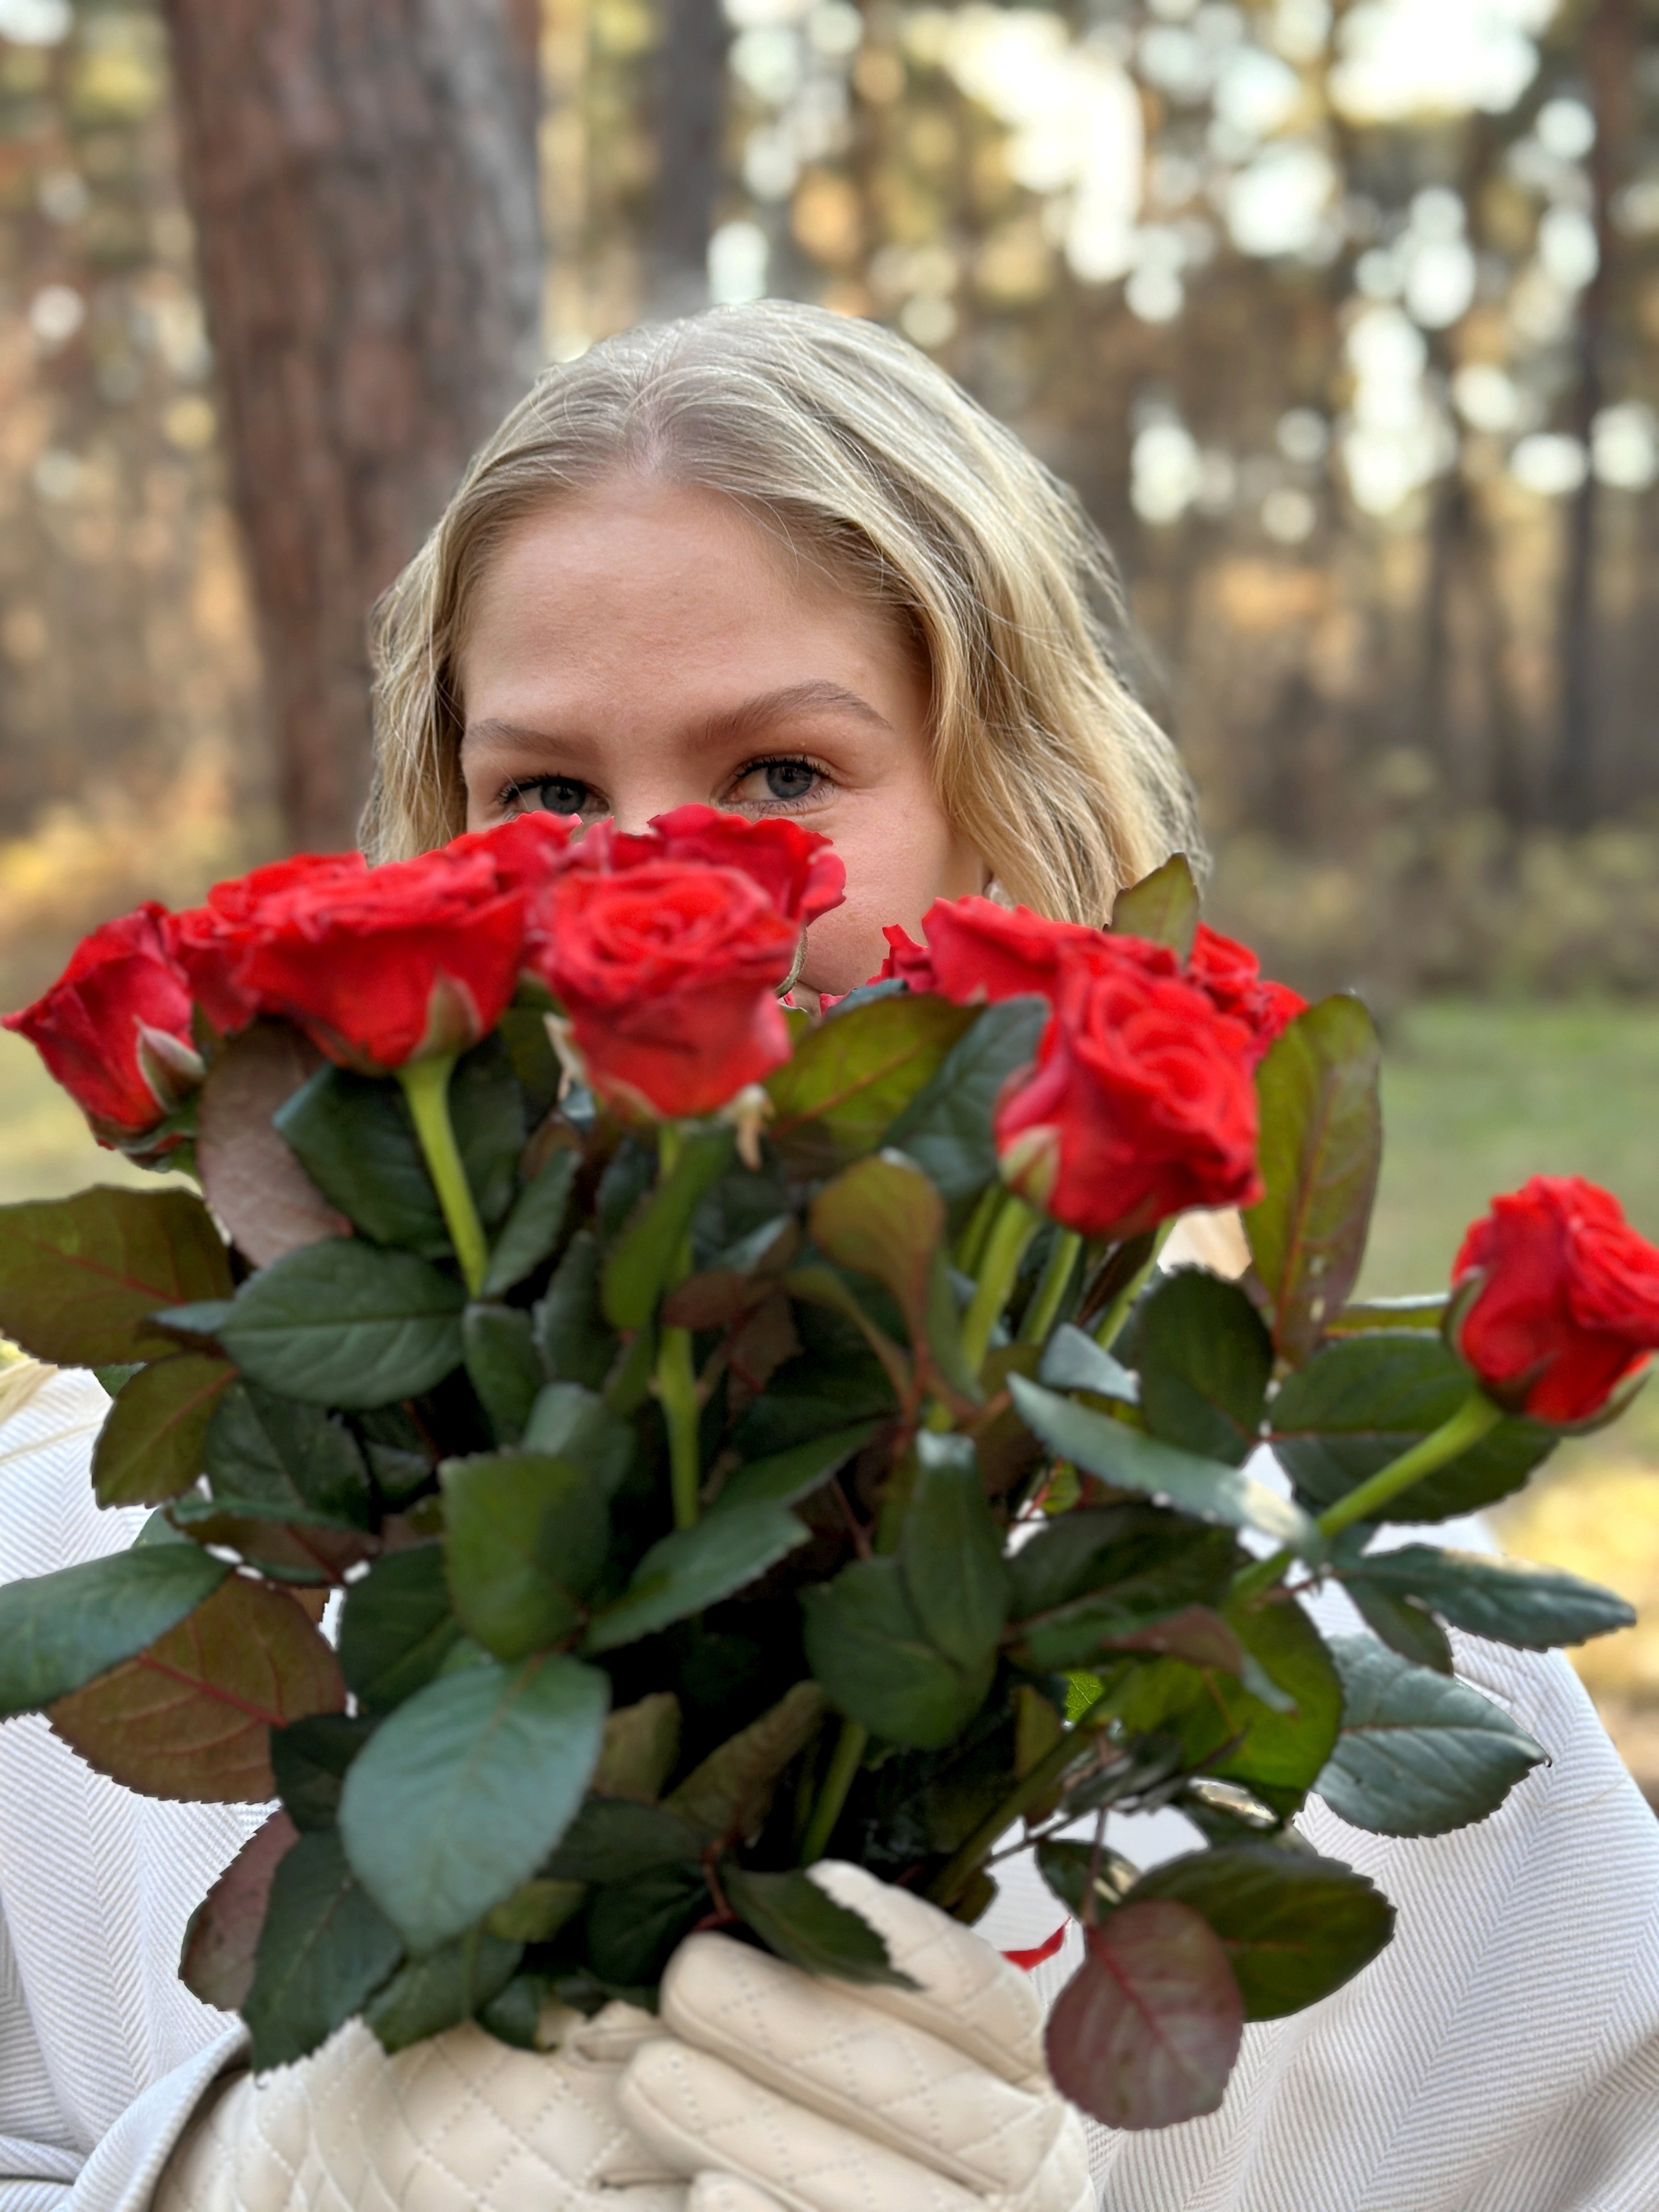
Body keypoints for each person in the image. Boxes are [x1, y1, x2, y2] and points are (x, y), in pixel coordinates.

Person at [3, 301, 1658, 2212]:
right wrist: (227, 2182)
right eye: (545, 791)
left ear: (1001, 823)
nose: (652, 871)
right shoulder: (88, 1556)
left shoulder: (1328, 1639)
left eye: (783, 772)